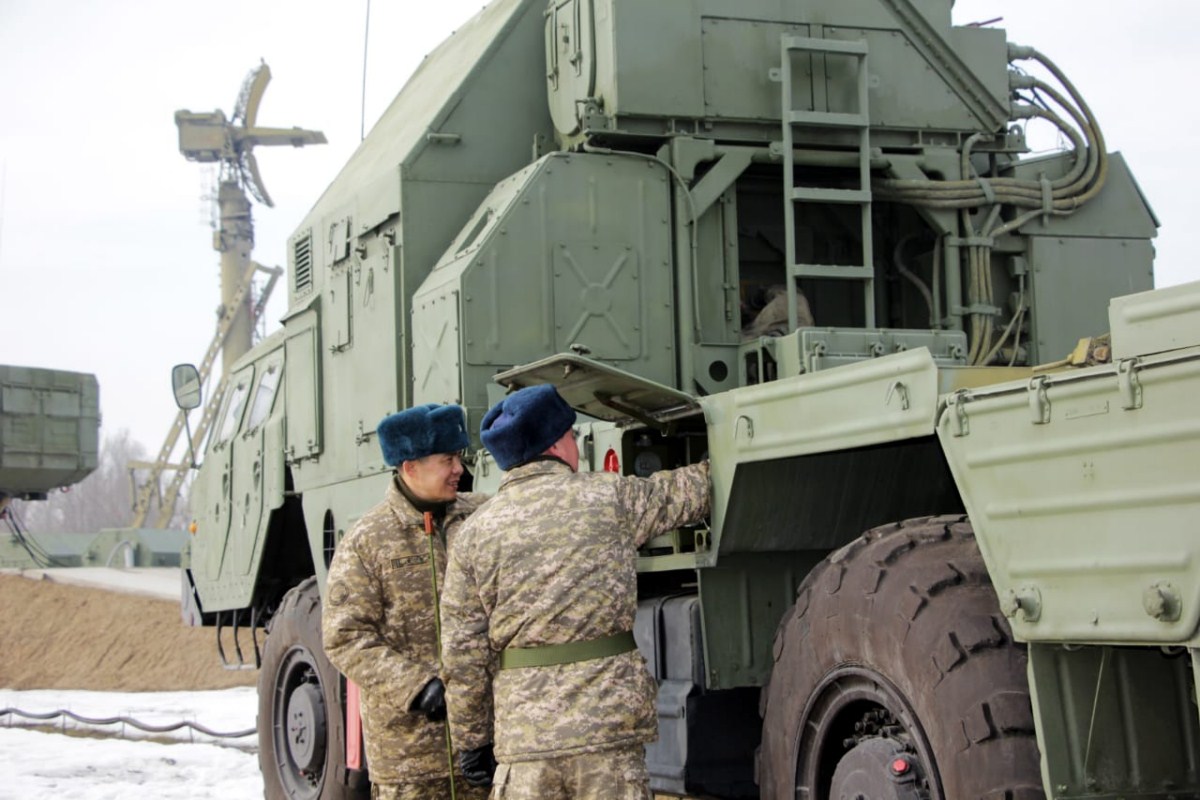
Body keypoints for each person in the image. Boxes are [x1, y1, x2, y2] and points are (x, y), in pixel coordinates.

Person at [440, 384, 711, 799]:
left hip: (525, 741)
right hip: (607, 732)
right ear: (555, 444)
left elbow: (462, 652)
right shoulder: (609, 497)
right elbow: (689, 492)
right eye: (569, 434)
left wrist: (472, 739)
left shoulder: (474, 533)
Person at [322, 403, 490, 800]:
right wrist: (417, 687)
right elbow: (344, 636)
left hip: (487, 748)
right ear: (410, 467)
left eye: (460, 457)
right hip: (411, 760)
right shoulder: (368, 541)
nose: (459, 469)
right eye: (447, 459)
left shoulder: (482, 518)